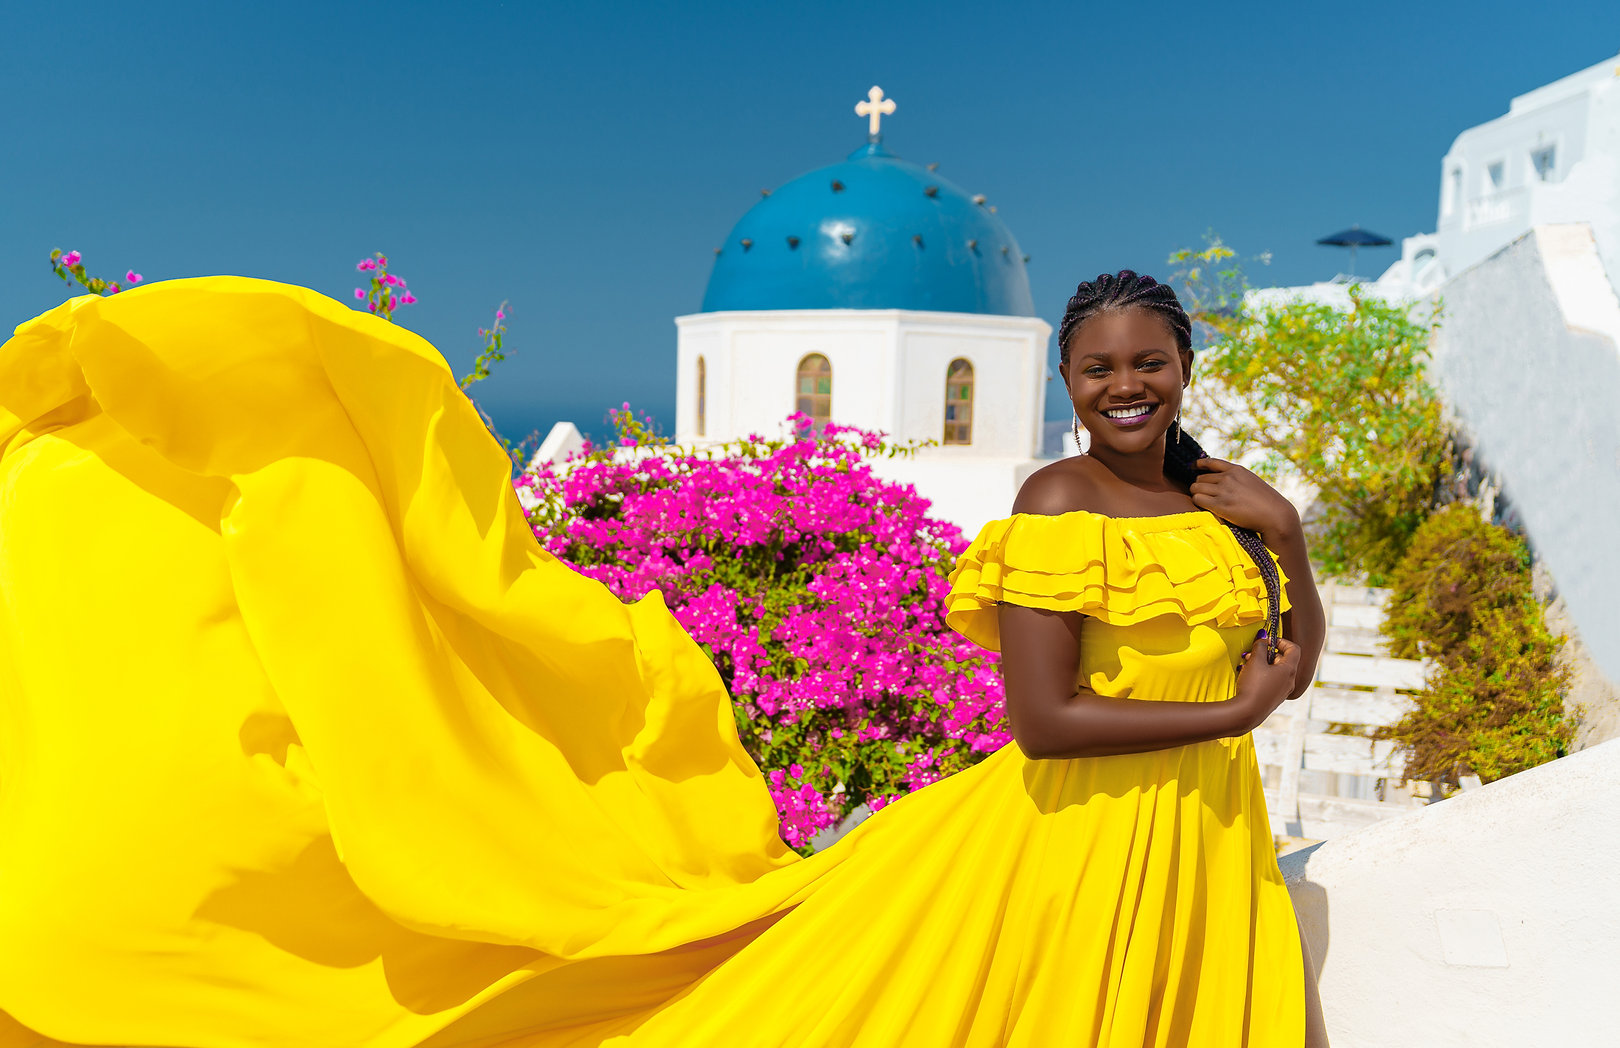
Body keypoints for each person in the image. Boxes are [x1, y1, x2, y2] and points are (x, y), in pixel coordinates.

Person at [0, 272, 1324, 1047]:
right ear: (1068, 382)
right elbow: (1046, 721)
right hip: (1074, 832)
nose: (1123, 386)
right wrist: (1238, 711)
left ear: (1184, 366)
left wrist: (1291, 548)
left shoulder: (1226, 501)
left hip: (1202, 828)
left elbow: (1290, 658)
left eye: (1148, 362)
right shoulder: (1053, 506)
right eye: (1096, 369)